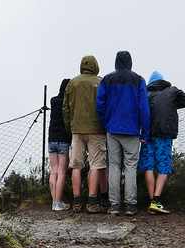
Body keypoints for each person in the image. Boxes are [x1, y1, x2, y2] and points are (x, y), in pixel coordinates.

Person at [97, 51, 150, 216]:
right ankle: (131, 205)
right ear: (130, 62)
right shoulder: (139, 80)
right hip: (132, 130)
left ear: (116, 62)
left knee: (113, 166)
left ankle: (114, 205)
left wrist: (106, 123)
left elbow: (99, 104)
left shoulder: (107, 80)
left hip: (112, 129)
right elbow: (144, 108)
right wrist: (145, 131)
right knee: (130, 166)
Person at [140, 71, 185, 214]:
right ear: (163, 81)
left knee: (148, 166)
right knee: (163, 167)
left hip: (147, 135)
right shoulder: (171, 91)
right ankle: (156, 200)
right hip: (164, 135)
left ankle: (151, 201)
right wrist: (172, 103)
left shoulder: (145, 95)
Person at [63, 55, 108, 214]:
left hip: (77, 130)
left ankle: (76, 202)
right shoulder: (101, 82)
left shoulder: (72, 83)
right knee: (96, 165)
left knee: (76, 165)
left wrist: (70, 127)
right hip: (97, 130)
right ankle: (92, 201)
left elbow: (65, 109)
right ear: (96, 66)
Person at [47, 79, 72, 211]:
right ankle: (57, 202)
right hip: (63, 139)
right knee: (62, 172)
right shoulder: (68, 103)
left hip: (51, 139)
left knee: (54, 171)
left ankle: (54, 202)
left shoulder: (53, 100)